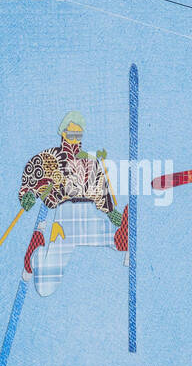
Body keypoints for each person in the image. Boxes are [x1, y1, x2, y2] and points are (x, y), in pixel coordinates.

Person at [18, 112, 128, 296]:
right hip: (65, 216)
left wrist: (111, 212)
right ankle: (36, 252)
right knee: (45, 288)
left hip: (86, 211)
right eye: (71, 134)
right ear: (63, 133)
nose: (75, 139)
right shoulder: (49, 157)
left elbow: (100, 187)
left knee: (115, 238)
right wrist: (27, 195)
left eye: (79, 134)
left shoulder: (90, 162)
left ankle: (123, 235)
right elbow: (33, 174)